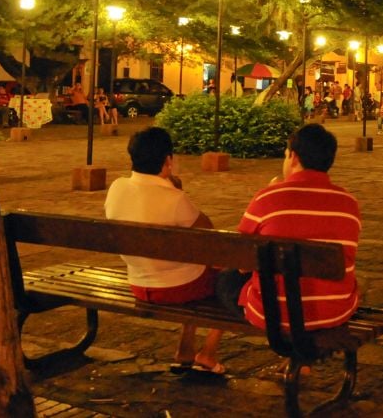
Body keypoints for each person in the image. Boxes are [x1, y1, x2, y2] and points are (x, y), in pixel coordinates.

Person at [215, 124, 360, 337]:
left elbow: (241, 260)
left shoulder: (268, 198)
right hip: (334, 312)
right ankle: (301, 364)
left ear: (293, 157)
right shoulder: (349, 203)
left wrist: (272, 191)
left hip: (272, 314)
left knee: (226, 280)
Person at [105, 128, 224, 373]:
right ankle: (209, 351)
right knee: (229, 278)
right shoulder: (174, 200)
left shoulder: (117, 187)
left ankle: (185, 347)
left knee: (188, 267)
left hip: (138, 283)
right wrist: (177, 191)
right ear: (168, 160)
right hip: (177, 287)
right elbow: (209, 233)